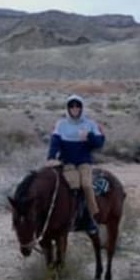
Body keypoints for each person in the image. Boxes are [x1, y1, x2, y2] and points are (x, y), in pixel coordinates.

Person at [45, 94, 105, 235]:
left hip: (84, 162)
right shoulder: (61, 124)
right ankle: (69, 216)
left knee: (86, 185)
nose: (75, 108)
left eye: (77, 105)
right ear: (68, 108)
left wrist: (89, 137)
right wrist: (51, 157)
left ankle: (91, 217)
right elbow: (55, 142)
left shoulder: (90, 124)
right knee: (73, 185)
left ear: (82, 107)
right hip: (68, 162)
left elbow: (99, 143)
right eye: (71, 106)